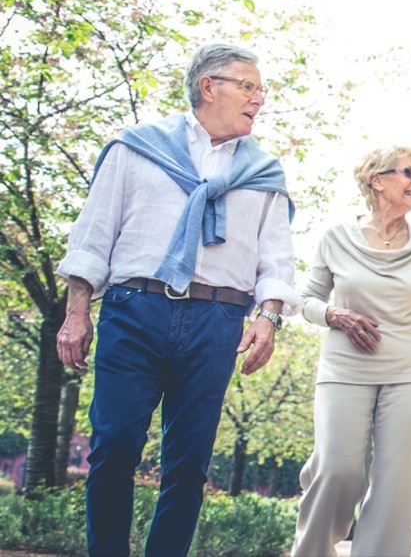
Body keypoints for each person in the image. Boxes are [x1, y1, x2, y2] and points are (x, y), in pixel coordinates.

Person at [55, 43, 297, 556]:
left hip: (218, 318)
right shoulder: (135, 148)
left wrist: (269, 317)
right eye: (248, 86)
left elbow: (277, 259)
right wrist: (76, 312)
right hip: (135, 310)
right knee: (114, 446)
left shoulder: (264, 174)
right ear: (210, 86)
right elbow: (94, 235)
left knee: (188, 464)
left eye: (261, 89)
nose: (260, 99)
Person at [291, 144, 411, 557]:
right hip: (345, 368)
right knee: (337, 471)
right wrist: (335, 315)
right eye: (407, 173)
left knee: (399, 483)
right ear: (376, 181)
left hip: (410, 371)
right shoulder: (336, 237)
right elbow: (305, 300)